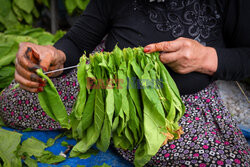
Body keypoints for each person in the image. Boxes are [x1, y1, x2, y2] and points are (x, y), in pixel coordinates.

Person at [0, 0, 249, 166]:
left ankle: (110, 131)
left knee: (214, 160)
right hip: (104, 84)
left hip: (177, 104)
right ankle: (100, 124)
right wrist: (55, 56)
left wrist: (207, 58)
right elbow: (77, 42)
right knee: (13, 103)